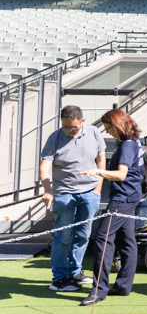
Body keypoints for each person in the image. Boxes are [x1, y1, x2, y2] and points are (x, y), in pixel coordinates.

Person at [77, 110, 143, 306]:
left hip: (123, 199)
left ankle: (99, 290)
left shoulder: (126, 146)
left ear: (117, 125)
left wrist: (99, 171)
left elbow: (121, 175)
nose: (108, 132)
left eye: (108, 128)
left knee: (103, 239)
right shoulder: (130, 143)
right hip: (131, 197)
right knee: (127, 241)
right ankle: (122, 285)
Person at [39, 105, 106, 292]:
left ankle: (75, 271)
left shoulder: (94, 133)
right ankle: (59, 278)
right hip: (64, 193)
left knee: (83, 235)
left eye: (73, 127)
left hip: (90, 192)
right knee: (63, 236)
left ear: (82, 121)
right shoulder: (55, 137)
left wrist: (97, 189)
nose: (69, 130)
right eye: (65, 126)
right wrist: (47, 189)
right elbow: (45, 165)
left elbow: (101, 159)